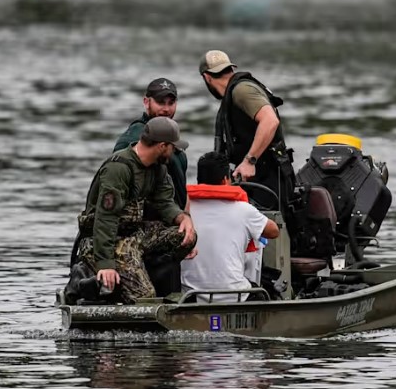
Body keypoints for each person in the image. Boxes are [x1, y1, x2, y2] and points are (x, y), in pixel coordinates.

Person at [67, 117, 197, 304]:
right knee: (144, 298)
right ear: (162, 146)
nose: (175, 152)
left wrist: (182, 218)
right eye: (173, 147)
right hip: (107, 242)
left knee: (187, 236)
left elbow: (164, 202)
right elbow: (106, 218)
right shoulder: (119, 168)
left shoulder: (158, 168)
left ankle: (137, 270)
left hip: (135, 236)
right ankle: (89, 277)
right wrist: (106, 264)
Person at [113, 77, 189, 296]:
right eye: (160, 102)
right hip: (143, 233)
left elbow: (178, 190)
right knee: (151, 296)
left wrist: (185, 219)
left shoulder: (170, 137)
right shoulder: (135, 140)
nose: (166, 109)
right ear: (146, 102)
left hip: (167, 229)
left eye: (170, 103)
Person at [199, 50, 295, 211]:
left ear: (206, 77)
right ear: (230, 69)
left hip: (270, 180)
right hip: (258, 180)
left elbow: (270, 121)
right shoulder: (233, 94)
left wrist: (249, 161)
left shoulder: (242, 90)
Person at [181, 152, 279, 303]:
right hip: (235, 295)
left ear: (198, 180)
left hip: (191, 296)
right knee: (267, 291)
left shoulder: (183, 213)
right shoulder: (244, 210)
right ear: (225, 179)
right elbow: (274, 231)